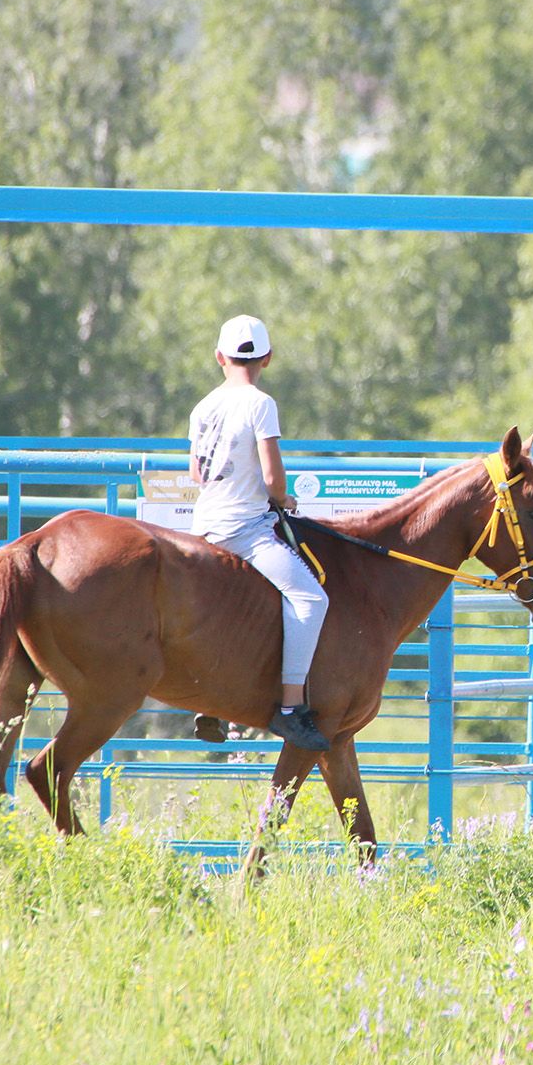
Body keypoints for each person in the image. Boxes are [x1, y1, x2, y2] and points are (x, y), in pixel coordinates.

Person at [188, 314, 330, 752]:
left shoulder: (203, 407)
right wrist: (282, 499)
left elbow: (197, 472)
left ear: (219, 358)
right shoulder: (260, 404)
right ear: (267, 358)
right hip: (244, 531)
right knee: (310, 598)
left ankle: (209, 699)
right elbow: (273, 477)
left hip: (203, 526)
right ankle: (289, 709)